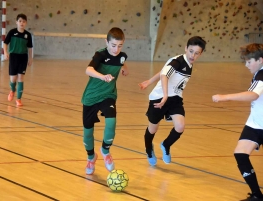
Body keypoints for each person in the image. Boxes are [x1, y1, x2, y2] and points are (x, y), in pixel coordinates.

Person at [139, 36, 206, 166]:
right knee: (152, 129)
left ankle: (165, 145)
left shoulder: (189, 64)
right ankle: (148, 149)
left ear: (200, 54)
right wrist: (164, 95)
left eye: (197, 53)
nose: (193, 55)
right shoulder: (178, 61)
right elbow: (164, 75)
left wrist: (149, 81)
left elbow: (163, 70)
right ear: (186, 48)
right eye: (191, 51)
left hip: (175, 99)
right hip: (159, 98)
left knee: (180, 126)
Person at [212, 43, 263, 201]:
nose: (246, 65)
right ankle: (257, 195)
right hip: (256, 123)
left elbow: (253, 95)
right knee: (241, 154)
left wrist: (224, 97)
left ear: (260, 60)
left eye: (249, 62)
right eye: (245, 62)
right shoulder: (258, 73)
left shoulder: (262, 75)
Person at [81, 27, 129, 175]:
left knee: (112, 122)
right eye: (113, 45)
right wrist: (103, 76)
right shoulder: (100, 55)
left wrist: (124, 69)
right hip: (91, 96)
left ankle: (105, 151)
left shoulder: (122, 56)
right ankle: (91, 157)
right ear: (106, 42)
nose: (116, 49)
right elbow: (88, 70)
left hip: (109, 95)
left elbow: (121, 62)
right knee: (88, 133)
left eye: (120, 45)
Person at [3, 14, 33, 106]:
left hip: (23, 57)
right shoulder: (12, 32)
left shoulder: (27, 35)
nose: (22, 23)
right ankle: (12, 90)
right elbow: (5, 43)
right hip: (14, 57)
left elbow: (30, 48)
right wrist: (5, 52)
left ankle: (19, 99)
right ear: (16, 22)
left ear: (26, 23)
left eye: (24, 21)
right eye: (20, 21)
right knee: (13, 79)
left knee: (21, 78)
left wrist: (30, 58)